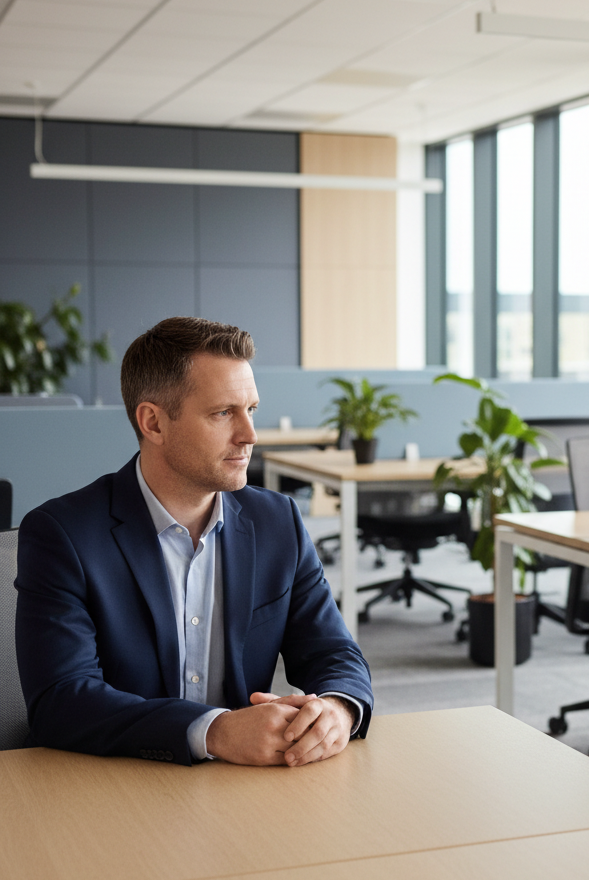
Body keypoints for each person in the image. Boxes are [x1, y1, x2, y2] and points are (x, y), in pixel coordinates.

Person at [15, 317, 372, 767]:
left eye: (251, 409)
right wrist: (214, 731)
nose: (250, 435)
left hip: (242, 782)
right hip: (117, 780)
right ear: (153, 423)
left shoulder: (277, 521)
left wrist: (337, 708)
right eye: (223, 413)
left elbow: (334, 652)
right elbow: (61, 701)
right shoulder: (63, 534)